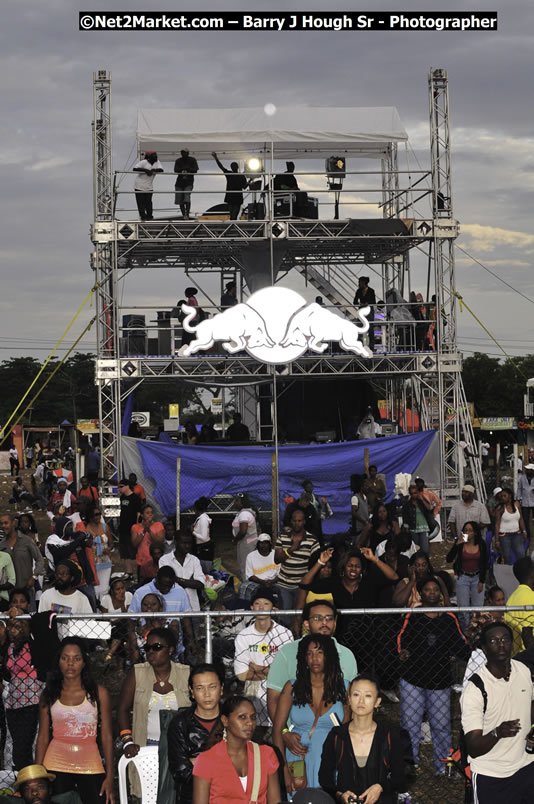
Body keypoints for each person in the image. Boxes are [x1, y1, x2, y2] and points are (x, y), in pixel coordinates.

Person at [397, 576, 471, 775]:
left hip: (440, 681)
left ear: (440, 593)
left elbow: (460, 645)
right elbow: (400, 638)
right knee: (410, 725)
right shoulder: (412, 615)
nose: (431, 592)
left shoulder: (449, 617)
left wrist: (476, 652)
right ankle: (409, 765)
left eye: (435, 589)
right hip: (412, 679)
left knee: (441, 726)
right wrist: (402, 651)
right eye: (427, 589)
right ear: (421, 593)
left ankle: (444, 766)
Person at [460, 621, 534, 801]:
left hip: (526, 767)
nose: (501, 644)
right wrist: (497, 733)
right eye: (494, 641)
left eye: (505, 639)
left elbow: (530, 704)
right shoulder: (475, 689)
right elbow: (473, 747)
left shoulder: (523, 671)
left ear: (512, 644)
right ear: (484, 649)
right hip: (491, 775)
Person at [35, 637, 114, 803]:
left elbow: (106, 736)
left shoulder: (99, 694)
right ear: (58, 661)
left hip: (90, 762)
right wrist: (38, 774)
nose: (70, 664)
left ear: (84, 662)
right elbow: (42, 737)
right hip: (55, 763)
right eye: (65, 658)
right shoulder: (48, 694)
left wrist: (109, 776)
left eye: (76, 659)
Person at [273, 633, 348, 790]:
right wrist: (284, 771)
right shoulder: (291, 687)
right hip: (298, 758)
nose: (314, 658)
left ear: (329, 656)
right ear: (303, 658)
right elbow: (277, 729)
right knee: (299, 797)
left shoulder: (344, 689)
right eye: (309, 653)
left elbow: (349, 732)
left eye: (320, 653)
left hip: (331, 760)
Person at [266, 600, 357, 727]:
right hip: (296, 736)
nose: (324, 623)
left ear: (335, 624)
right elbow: (274, 698)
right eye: (317, 618)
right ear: (306, 624)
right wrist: (284, 733)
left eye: (329, 618)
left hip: (336, 735)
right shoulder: (287, 653)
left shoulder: (347, 655)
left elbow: (352, 700)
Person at [319, 674, 406, 804]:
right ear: (348, 699)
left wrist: (380, 787)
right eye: (356, 695)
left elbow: (400, 777)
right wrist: (339, 795)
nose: (361, 701)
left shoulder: (389, 735)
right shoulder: (337, 736)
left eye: (368, 696)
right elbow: (324, 777)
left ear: (377, 702)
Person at [118, 627, 190, 781]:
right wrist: (127, 741)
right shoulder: (137, 673)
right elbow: (122, 709)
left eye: (156, 647)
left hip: (179, 748)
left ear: (170, 650)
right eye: (147, 647)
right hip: (145, 747)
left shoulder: (186, 674)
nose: (150, 651)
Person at [193, 695, 280, 804]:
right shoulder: (206, 760)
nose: (250, 723)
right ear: (225, 721)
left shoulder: (266, 754)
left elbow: (275, 801)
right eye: (242, 717)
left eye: (253, 717)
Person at [234, 587, 293, 732]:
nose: (261, 607)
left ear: (273, 608)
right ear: (251, 607)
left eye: (266, 604)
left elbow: (288, 674)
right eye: (257, 603)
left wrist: (256, 668)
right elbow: (242, 675)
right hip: (253, 692)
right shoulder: (243, 636)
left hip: (279, 693)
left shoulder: (285, 634)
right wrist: (272, 671)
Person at [333, 549, 398, 674]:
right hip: (343, 638)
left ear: (362, 569)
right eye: (350, 565)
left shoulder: (369, 583)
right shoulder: (335, 584)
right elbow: (305, 584)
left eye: (357, 566)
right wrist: (320, 562)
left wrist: (375, 559)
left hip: (367, 641)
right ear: (343, 567)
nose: (353, 569)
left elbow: (394, 577)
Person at [167, 663, 224, 804]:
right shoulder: (180, 724)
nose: (207, 694)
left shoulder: (233, 718)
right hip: (191, 797)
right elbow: (181, 772)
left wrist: (196, 760)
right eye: (200, 688)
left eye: (212, 687)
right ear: (191, 691)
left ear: (221, 689)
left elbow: (243, 764)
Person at [2, 616, 45, 769]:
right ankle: (21, 779)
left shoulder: (32, 645)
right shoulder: (11, 647)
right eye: (11, 626)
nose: (13, 630)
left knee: (24, 744)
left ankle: (26, 777)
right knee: (17, 743)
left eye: (18, 626)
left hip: (30, 700)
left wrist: (22, 618)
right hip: (13, 702)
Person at [274, 509, 320, 618]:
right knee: (285, 617)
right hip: (284, 585)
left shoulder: (312, 540)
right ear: (291, 521)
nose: (297, 523)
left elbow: (316, 564)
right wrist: (291, 549)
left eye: (299, 521)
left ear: (304, 522)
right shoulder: (282, 537)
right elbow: (277, 559)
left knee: (300, 616)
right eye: (294, 521)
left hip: (302, 586)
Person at [446, 519, 488, 629]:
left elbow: (485, 563)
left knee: (477, 609)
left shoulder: (481, 544)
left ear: (475, 532)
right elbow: (449, 559)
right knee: (463, 610)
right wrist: (456, 545)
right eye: (465, 530)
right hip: (463, 577)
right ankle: (464, 632)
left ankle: (476, 631)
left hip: (477, 577)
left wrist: (481, 581)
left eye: (470, 530)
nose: (468, 533)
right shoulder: (460, 543)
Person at [38, 560, 93, 638]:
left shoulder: (81, 598)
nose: (59, 577)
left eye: (64, 574)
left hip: (74, 642)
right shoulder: (46, 595)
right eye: (57, 574)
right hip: (51, 641)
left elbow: (90, 624)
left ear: (72, 578)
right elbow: (41, 621)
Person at [159, 531, 205, 612]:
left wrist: (177, 580)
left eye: (189, 543)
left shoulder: (194, 560)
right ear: (176, 542)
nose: (187, 546)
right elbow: (166, 584)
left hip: (193, 608)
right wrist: (190, 582)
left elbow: (200, 584)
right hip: (172, 608)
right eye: (184, 543)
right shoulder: (164, 560)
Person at [0, 512, 44, 597]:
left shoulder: (26, 540)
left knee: (29, 610)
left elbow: (40, 560)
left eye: (6, 523)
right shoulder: (1, 545)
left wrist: (34, 578)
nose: (3, 526)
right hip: (8, 592)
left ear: (13, 523)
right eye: (1, 524)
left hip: (26, 589)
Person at [504, 556, 534, 654]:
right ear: (532, 574)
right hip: (526, 658)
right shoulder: (529, 596)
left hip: (516, 656)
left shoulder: (513, 596)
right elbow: (527, 634)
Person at [131, 503, 165, 578]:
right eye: (147, 513)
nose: (150, 515)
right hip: (142, 562)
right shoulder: (135, 527)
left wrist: (149, 531)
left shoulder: (158, 525)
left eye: (151, 513)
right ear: (142, 515)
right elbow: (134, 544)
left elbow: (160, 541)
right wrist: (143, 531)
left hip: (156, 561)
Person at [495, 486, 527, 564]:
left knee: (521, 554)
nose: (502, 498)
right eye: (501, 496)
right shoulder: (500, 508)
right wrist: (497, 540)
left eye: (504, 496)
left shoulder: (517, 504)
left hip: (517, 534)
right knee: (507, 557)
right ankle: (508, 573)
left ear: (510, 496)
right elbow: (497, 524)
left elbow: (521, 518)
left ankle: (520, 572)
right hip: (504, 535)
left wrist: (524, 531)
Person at [211, 152, 249, 220]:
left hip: (231, 197)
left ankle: (232, 224)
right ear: (237, 167)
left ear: (232, 168)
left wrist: (216, 158)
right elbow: (244, 187)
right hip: (237, 197)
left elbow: (221, 167)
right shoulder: (241, 176)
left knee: (232, 215)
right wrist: (249, 182)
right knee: (234, 215)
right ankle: (233, 224)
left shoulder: (230, 174)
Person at [401, 483, 436, 554]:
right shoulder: (407, 504)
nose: (414, 495)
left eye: (415, 493)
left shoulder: (422, 501)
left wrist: (422, 499)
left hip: (424, 527)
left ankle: (426, 563)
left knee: (425, 549)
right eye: (412, 493)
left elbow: (430, 509)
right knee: (416, 550)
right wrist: (406, 528)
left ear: (418, 492)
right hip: (413, 528)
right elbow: (405, 517)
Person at [118, 478, 143, 576]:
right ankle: (129, 572)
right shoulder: (122, 498)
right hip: (123, 528)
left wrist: (137, 528)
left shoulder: (135, 498)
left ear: (127, 486)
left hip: (132, 528)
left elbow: (138, 514)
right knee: (124, 552)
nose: (119, 489)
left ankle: (137, 573)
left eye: (121, 486)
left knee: (133, 552)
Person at [232, 493, 259, 581]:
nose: (234, 503)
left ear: (241, 502)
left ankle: (247, 587)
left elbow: (243, 531)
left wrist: (235, 540)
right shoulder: (245, 513)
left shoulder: (244, 514)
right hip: (248, 543)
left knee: (245, 566)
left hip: (246, 544)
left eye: (236, 500)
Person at [133, 150, 163, 221]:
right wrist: (146, 170)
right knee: (141, 202)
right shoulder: (144, 162)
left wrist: (153, 170)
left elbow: (161, 170)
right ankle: (143, 216)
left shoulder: (157, 162)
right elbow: (135, 168)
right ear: (149, 156)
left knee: (148, 202)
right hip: (139, 185)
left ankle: (149, 216)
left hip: (149, 186)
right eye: (153, 155)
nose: (155, 156)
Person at [174, 148, 199, 219]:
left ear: (188, 153)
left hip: (189, 182)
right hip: (179, 182)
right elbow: (175, 170)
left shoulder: (192, 160)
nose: (183, 154)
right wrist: (183, 169)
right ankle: (184, 215)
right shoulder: (178, 160)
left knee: (187, 197)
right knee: (180, 200)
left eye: (184, 152)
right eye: (182, 152)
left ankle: (187, 214)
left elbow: (195, 170)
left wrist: (188, 169)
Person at [192, 496, 214, 571]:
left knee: (205, 570)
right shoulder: (200, 519)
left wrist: (193, 532)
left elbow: (204, 537)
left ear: (196, 509)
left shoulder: (203, 519)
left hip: (205, 549)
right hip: (200, 548)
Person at [517, 463, 534, 544]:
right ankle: (527, 534)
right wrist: (518, 498)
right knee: (525, 519)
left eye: (529, 469)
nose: (527, 471)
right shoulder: (522, 478)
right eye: (527, 469)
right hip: (525, 502)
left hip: (533, 500)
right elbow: (519, 488)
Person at [350, 474, 369, 547]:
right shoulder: (355, 498)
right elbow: (354, 512)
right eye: (365, 486)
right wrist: (364, 521)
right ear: (361, 487)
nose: (367, 487)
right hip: (359, 527)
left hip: (365, 526)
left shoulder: (365, 497)